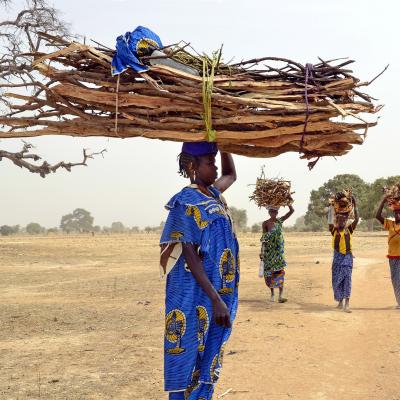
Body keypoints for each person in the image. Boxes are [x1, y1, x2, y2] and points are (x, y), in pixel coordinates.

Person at [160, 142, 239, 400]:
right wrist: (216, 300)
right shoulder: (185, 202)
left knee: (210, 353)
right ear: (192, 166)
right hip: (197, 296)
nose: (215, 167)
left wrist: (225, 144)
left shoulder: (213, 194)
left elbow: (231, 174)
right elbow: (191, 258)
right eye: (209, 162)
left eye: (214, 161)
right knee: (188, 351)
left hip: (218, 293)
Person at [328, 197, 359, 313]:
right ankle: (340, 302)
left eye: (343, 221)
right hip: (337, 258)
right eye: (339, 220)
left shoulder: (349, 230)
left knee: (347, 279)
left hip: (347, 257)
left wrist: (355, 205)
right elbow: (329, 221)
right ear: (336, 220)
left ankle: (347, 303)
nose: (341, 222)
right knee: (336, 280)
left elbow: (356, 219)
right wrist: (331, 207)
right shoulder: (333, 230)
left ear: (346, 221)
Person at [260, 205, 294, 303]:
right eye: (271, 211)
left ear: (277, 213)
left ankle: (280, 295)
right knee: (269, 274)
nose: (273, 213)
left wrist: (288, 202)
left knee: (279, 273)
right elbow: (264, 239)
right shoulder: (265, 223)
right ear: (269, 212)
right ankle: (272, 294)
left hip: (278, 253)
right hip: (269, 253)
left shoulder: (280, 221)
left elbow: (291, 211)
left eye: (275, 212)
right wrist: (262, 252)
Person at [375, 195, 400, 309]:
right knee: (395, 281)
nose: (398, 215)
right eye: (396, 213)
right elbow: (377, 216)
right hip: (393, 258)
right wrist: (383, 200)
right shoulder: (390, 224)